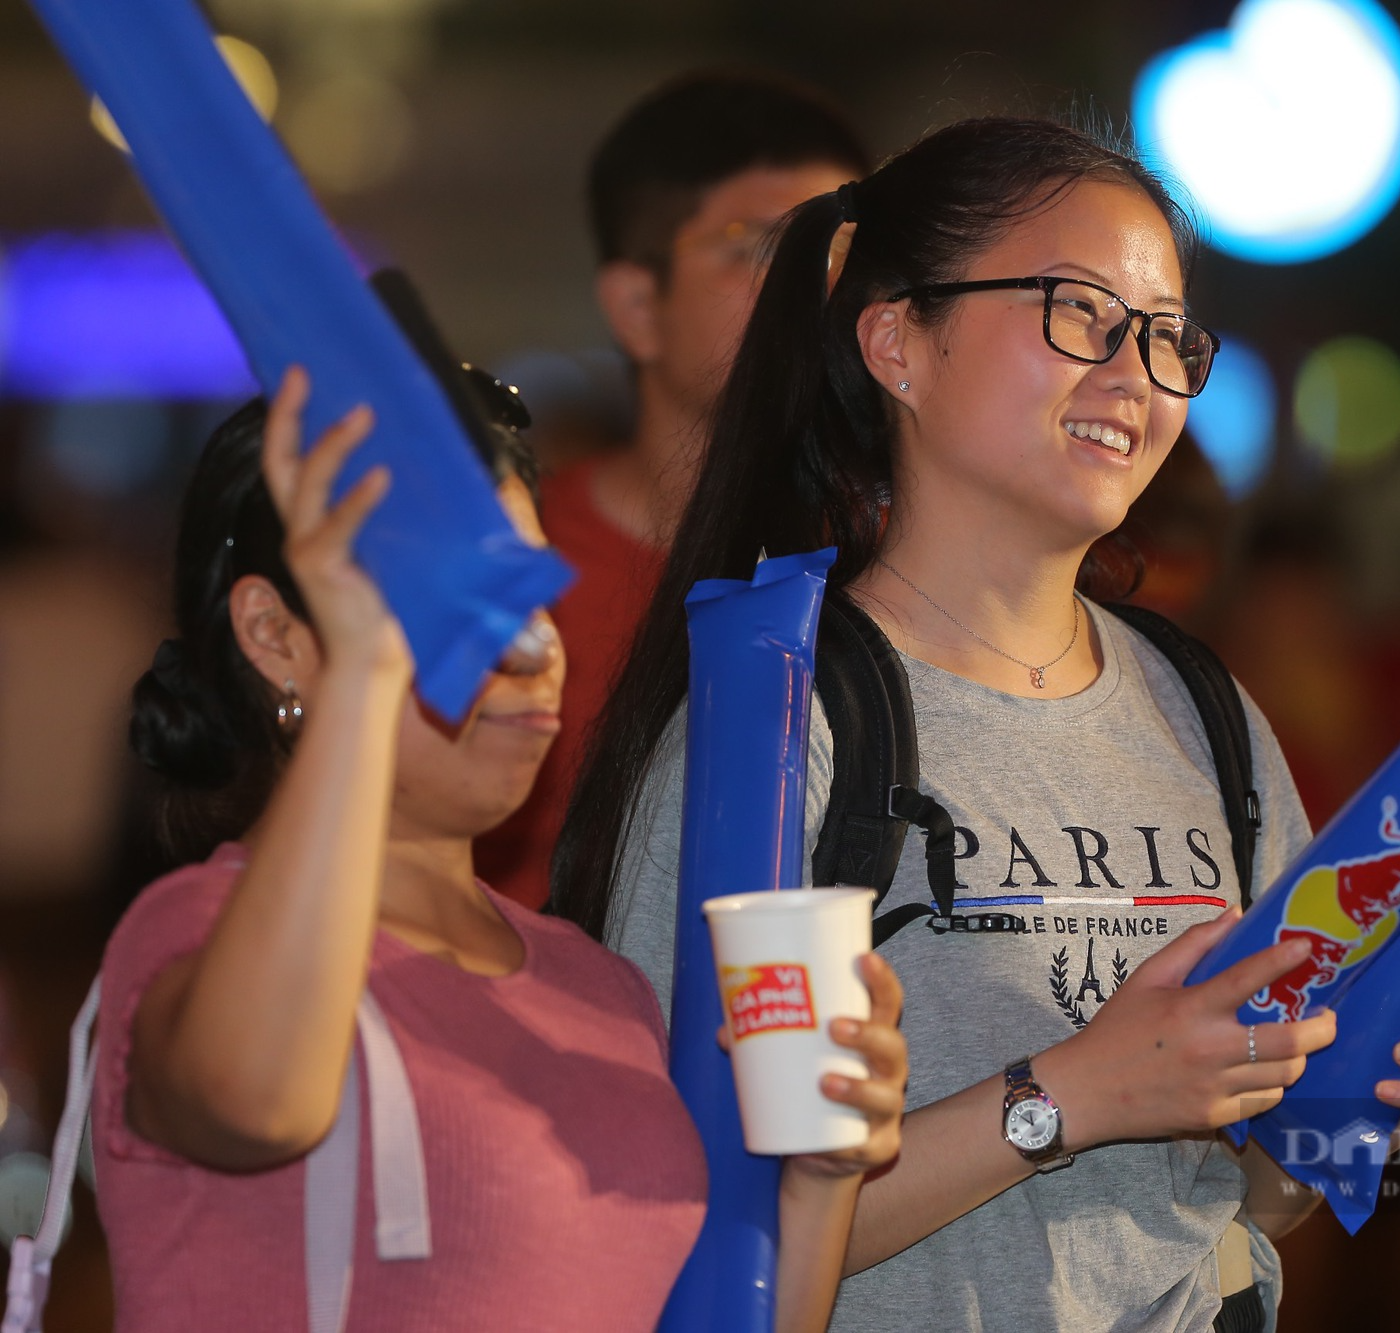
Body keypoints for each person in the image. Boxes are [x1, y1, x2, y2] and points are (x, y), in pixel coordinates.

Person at [553, 117, 1400, 1332]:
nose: (1134, 376)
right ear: (897, 341)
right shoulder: (785, 726)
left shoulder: (1202, 709)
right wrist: (1068, 1094)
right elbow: (686, 1221)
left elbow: (1242, 1197)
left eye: (1166, 337)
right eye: (1077, 312)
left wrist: (1342, 1083)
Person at [96, 367, 907, 1330]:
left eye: (529, 590)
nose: (532, 646)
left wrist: (821, 1175)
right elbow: (255, 1103)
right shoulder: (194, 935)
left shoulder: (597, 985)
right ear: (278, 634)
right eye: (457, 601)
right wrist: (367, 675)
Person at [475, 71, 870, 909]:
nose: (819, 290)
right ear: (635, 306)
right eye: (759, 249)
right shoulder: (508, 576)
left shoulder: (902, 565)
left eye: (846, 254)